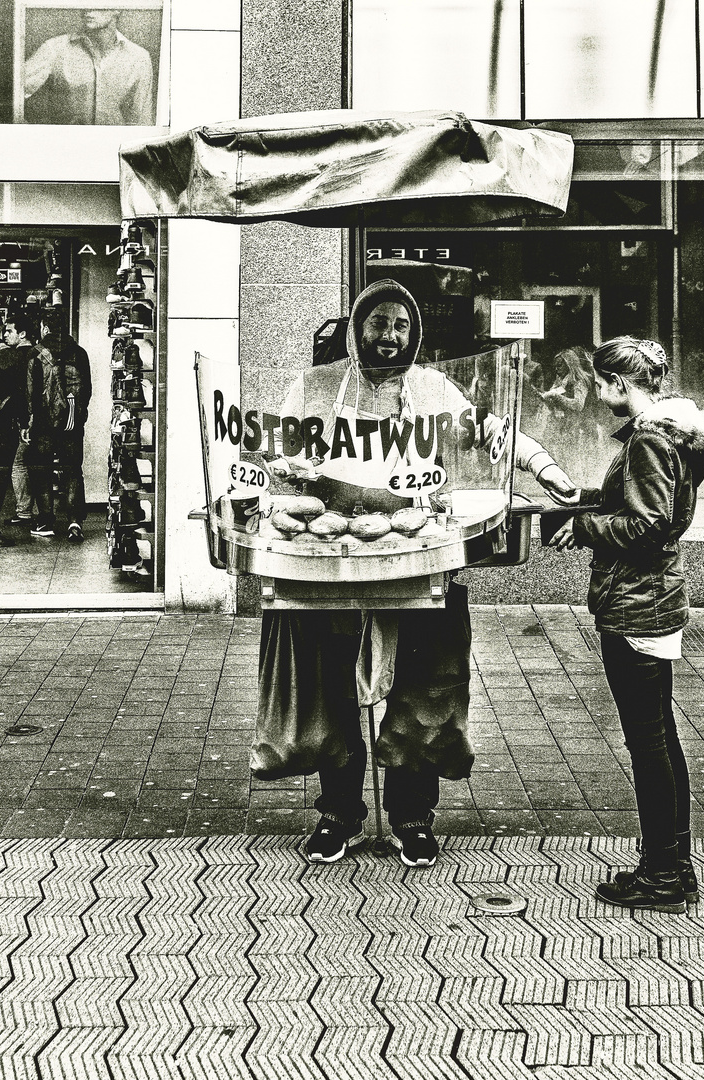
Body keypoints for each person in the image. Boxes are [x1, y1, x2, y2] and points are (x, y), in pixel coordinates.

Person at [252, 279, 578, 868]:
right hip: (335, 563)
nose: (390, 337)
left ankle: (411, 818)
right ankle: (339, 815)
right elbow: (267, 444)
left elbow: (490, 431)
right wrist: (273, 477)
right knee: (330, 690)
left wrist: (542, 465)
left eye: (401, 326)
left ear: (416, 333)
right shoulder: (315, 385)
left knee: (425, 691)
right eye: (378, 324)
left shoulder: (432, 386)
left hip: (420, 557)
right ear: (357, 329)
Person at [550, 337, 704, 913]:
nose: (596, 392)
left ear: (620, 384)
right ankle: (670, 866)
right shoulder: (670, 432)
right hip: (653, 599)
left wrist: (584, 528)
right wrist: (582, 498)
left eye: (601, 382)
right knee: (658, 737)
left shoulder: (649, 440)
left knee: (650, 742)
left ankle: (664, 873)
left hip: (638, 602)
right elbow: (639, 506)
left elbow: (650, 524)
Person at [24, 310, 92, 541]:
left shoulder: (35, 354)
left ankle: (46, 521)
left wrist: (27, 422)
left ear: (44, 327)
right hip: (72, 421)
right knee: (73, 470)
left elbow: (29, 391)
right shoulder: (79, 353)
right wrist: (78, 415)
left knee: (40, 470)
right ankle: (75, 522)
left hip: (43, 422)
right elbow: (88, 389)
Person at [23, 9, 154, 126]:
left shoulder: (139, 57)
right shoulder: (54, 48)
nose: (87, 8)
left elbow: (142, 122)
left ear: (117, 8)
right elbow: (9, 96)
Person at [0, 317, 34, 547]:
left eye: (8, 331)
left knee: (10, 469)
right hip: (17, 422)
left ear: (22, 334)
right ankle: (25, 510)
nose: (4, 335)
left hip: (10, 422)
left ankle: (23, 509)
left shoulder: (13, 357)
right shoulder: (29, 356)